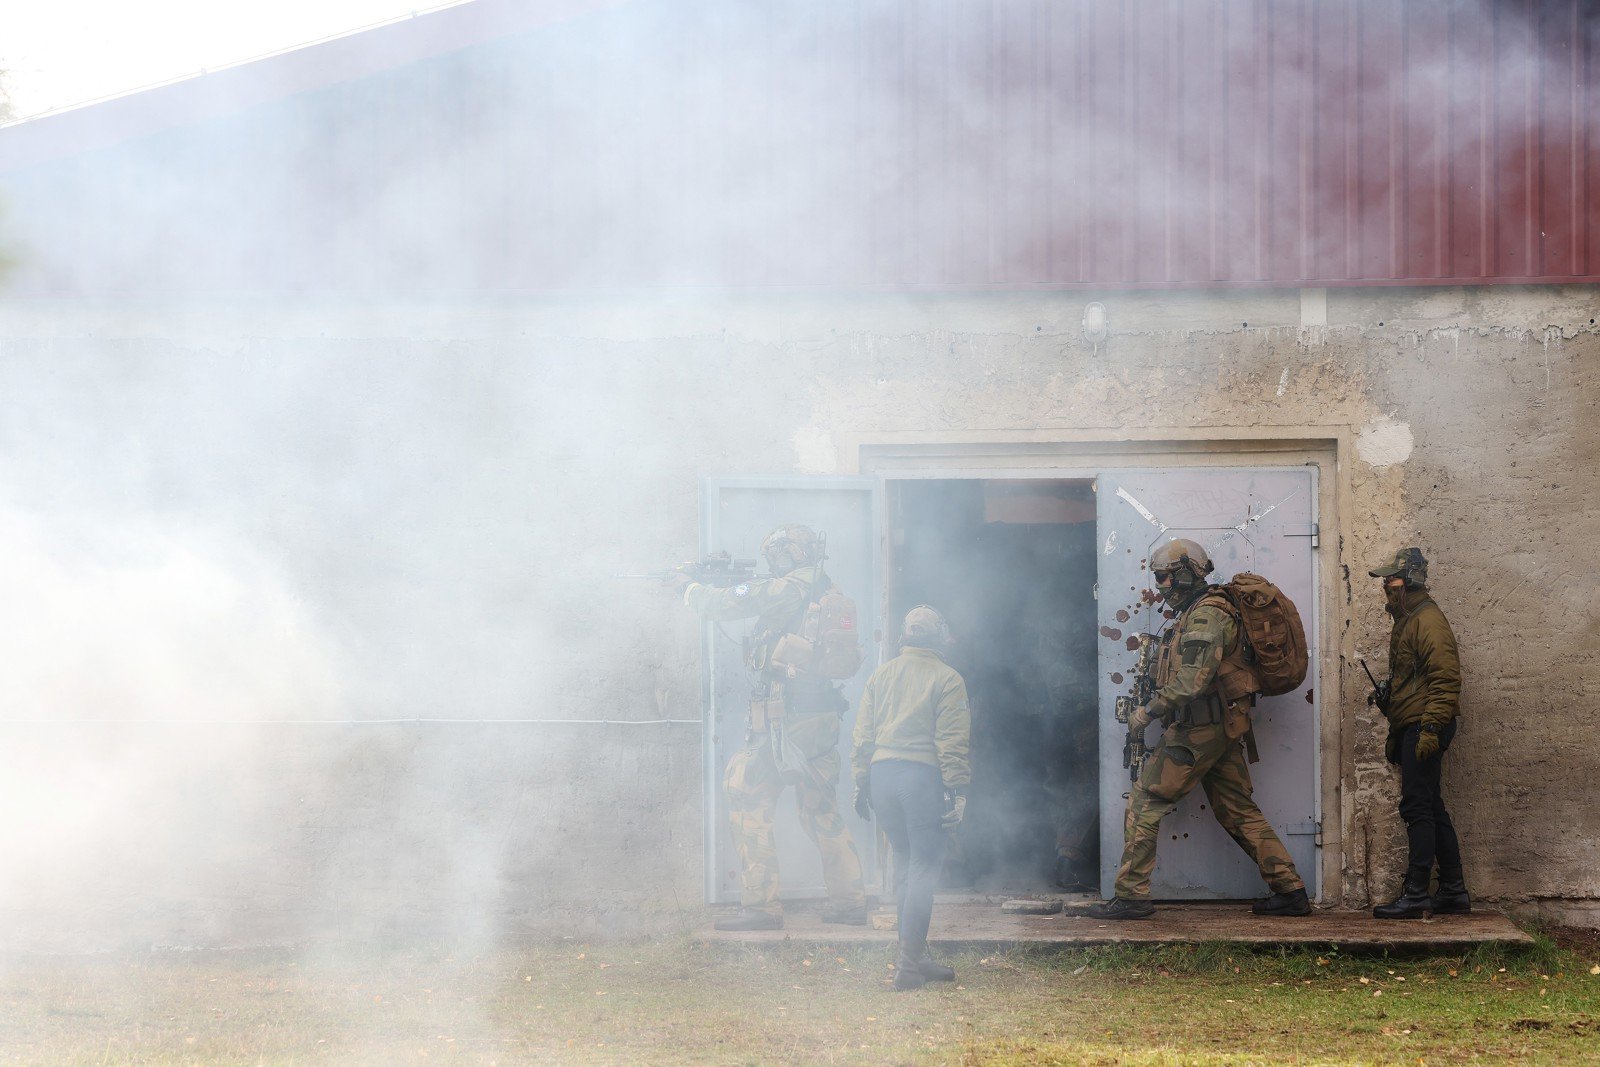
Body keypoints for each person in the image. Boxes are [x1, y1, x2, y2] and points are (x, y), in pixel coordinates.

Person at [1089, 538, 1311, 920]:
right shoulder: (1199, 610)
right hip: (1219, 728)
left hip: (1200, 729)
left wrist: (1148, 712)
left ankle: (1131, 896)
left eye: (1165, 577)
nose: (1161, 586)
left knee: (1145, 801)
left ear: (1187, 573)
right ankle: (1289, 889)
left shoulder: (1207, 614)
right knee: (1237, 809)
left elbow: (1192, 682)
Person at [671, 524, 866, 931]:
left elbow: (726, 603)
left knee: (745, 791)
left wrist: (688, 588)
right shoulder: (824, 588)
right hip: (817, 719)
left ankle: (760, 906)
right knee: (820, 810)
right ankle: (849, 902)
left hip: (786, 720)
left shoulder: (790, 589)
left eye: (776, 556)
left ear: (786, 555)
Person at [850, 605, 971, 990]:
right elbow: (951, 742)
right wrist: (957, 790)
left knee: (904, 863)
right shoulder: (948, 678)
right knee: (923, 867)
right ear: (939, 638)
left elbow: (863, 736)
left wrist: (860, 781)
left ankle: (915, 957)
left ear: (905, 636)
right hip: (920, 779)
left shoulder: (881, 675)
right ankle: (907, 965)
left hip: (882, 777)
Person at [1367, 547, 1469, 919]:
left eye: (1390, 580)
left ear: (1408, 581)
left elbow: (1445, 678)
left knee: (1416, 807)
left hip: (1426, 725)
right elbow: (1415, 680)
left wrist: (1429, 728)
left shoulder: (1428, 620)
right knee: (1431, 804)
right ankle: (1454, 891)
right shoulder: (1409, 619)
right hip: (1414, 723)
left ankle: (1416, 894)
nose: (1385, 587)